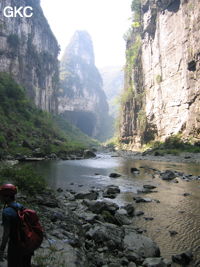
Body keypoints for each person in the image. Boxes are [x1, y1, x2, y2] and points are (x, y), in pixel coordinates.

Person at [0, 184, 33, 267]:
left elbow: (6, 234)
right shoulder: (21, 207)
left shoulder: (6, 212)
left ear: (6, 196)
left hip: (15, 246)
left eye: (1, 195)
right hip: (27, 244)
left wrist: (2, 249)